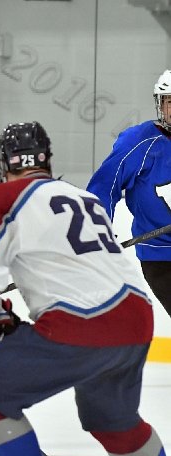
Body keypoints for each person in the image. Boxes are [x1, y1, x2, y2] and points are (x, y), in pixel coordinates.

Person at [0, 121, 171, 456]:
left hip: (83, 321)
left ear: (4, 163)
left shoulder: (1, 197)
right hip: (136, 316)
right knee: (112, 416)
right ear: (46, 161)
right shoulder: (81, 196)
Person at [87, 70, 171, 318]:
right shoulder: (139, 142)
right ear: (160, 103)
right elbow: (103, 187)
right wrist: (96, 231)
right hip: (162, 255)